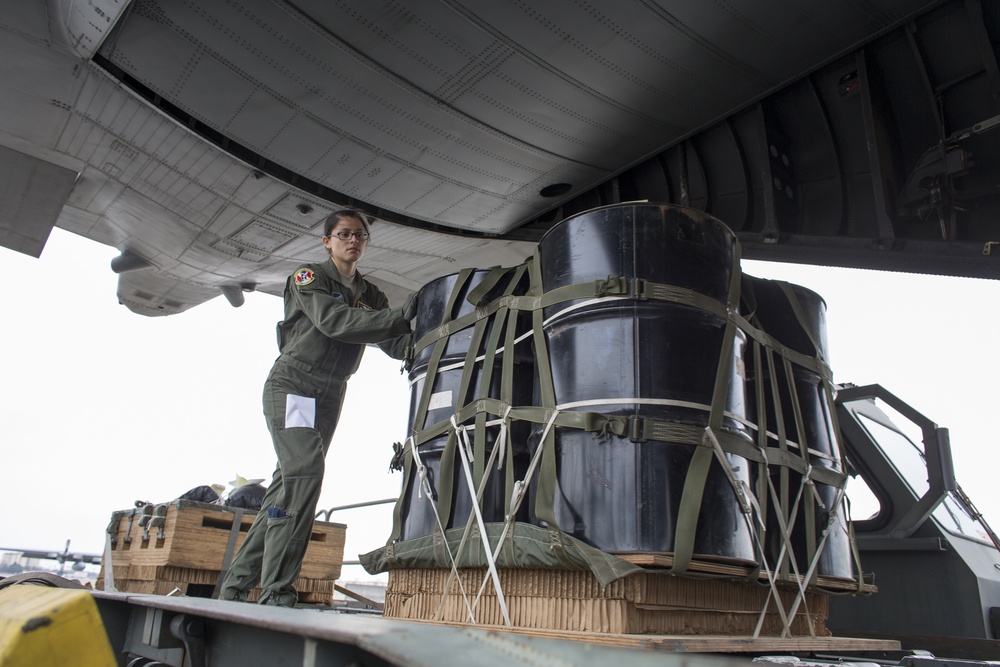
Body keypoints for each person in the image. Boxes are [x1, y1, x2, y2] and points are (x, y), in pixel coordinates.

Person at [219, 209, 416, 607]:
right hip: (296, 386)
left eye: (360, 235)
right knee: (306, 472)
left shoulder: (371, 294)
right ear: (327, 241)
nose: (353, 241)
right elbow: (334, 322)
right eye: (344, 234)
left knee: (288, 485)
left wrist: (438, 340)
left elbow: (394, 342)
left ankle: (235, 587)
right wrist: (402, 314)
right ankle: (276, 590)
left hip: (330, 394)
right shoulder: (309, 277)